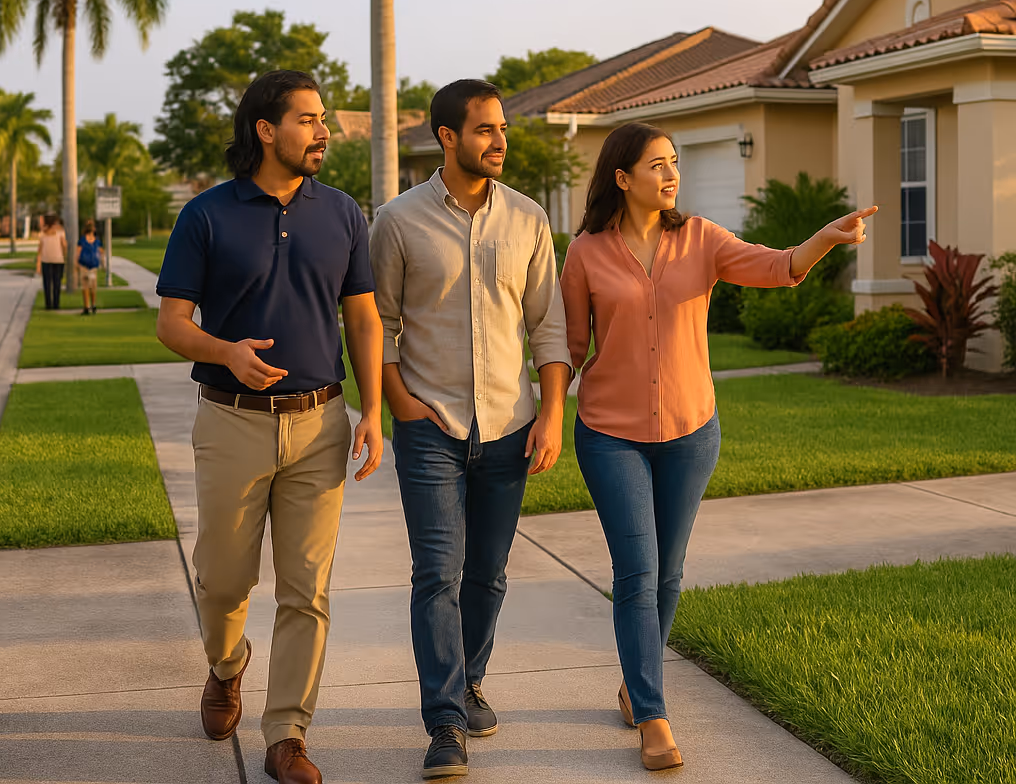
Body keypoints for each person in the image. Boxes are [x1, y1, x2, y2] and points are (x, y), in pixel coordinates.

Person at [560, 122, 876, 772]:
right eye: (656, 165)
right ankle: (652, 714)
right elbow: (567, 348)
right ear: (622, 177)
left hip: (690, 432)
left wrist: (823, 240)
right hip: (609, 434)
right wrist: (539, 412)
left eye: (674, 163)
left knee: (668, 574)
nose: (670, 174)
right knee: (638, 574)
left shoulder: (700, 238)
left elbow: (776, 267)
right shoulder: (585, 252)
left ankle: (634, 682)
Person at [155, 70, 384, 784]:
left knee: (306, 587)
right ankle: (227, 665)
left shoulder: (344, 214)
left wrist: (373, 410)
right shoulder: (207, 215)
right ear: (265, 128)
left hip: (319, 423)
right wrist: (225, 352)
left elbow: (364, 317)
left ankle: (287, 733)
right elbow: (172, 324)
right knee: (222, 581)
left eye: (324, 120)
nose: (325, 132)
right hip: (231, 423)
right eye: (310, 119)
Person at [369, 79, 572, 780]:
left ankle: (471, 678)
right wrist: (399, 402)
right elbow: (377, 325)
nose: (499, 141)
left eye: (502, 129)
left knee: (487, 572)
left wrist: (552, 412)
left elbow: (548, 324)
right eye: (484, 130)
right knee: (437, 572)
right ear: (447, 137)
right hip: (429, 424)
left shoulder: (528, 220)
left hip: (510, 423)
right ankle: (446, 721)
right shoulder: (397, 221)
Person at [35, 213, 66, 310]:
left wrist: (38, 264)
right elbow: (64, 246)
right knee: (56, 283)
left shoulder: (43, 234)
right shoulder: (59, 233)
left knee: (48, 284)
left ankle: (49, 304)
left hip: (48, 261)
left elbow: (39, 250)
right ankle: (55, 304)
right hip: (57, 260)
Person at [76, 219, 103, 315]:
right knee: (93, 287)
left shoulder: (82, 240)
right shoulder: (97, 241)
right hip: (93, 266)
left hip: (84, 265)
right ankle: (93, 304)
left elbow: (78, 253)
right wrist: (103, 265)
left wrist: (76, 264)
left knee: (85, 287)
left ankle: (86, 306)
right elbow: (101, 253)